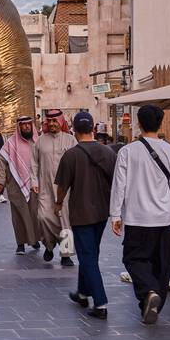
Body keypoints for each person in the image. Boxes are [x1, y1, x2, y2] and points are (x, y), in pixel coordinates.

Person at [110, 105, 170, 324]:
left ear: (139, 123)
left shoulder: (127, 151)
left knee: (133, 259)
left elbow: (118, 185)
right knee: (162, 264)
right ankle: (152, 302)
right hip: (163, 217)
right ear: (160, 123)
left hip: (137, 217)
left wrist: (115, 214)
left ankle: (148, 293)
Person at [55, 111, 116, 320]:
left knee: (87, 256)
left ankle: (100, 303)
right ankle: (82, 293)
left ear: (74, 130)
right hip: (102, 211)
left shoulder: (71, 155)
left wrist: (58, 203)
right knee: (90, 252)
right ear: (92, 129)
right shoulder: (108, 153)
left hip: (81, 212)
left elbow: (62, 186)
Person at [34, 108, 77, 266]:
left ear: (60, 122)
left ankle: (66, 255)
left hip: (65, 188)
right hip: (45, 187)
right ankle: (49, 245)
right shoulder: (40, 140)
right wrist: (34, 181)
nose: (52, 124)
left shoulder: (70, 140)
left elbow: (76, 164)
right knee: (43, 217)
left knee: (65, 221)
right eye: (49, 121)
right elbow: (34, 163)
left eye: (54, 121)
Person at [0, 115, 41, 254]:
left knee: (35, 213)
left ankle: (34, 240)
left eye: (28, 124)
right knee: (18, 215)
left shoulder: (38, 142)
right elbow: (1, 162)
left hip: (35, 184)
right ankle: (20, 243)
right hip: (15, 184)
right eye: (23, 125)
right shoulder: (10, 143)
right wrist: (1, 181)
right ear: (19, 126)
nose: (27, 127)